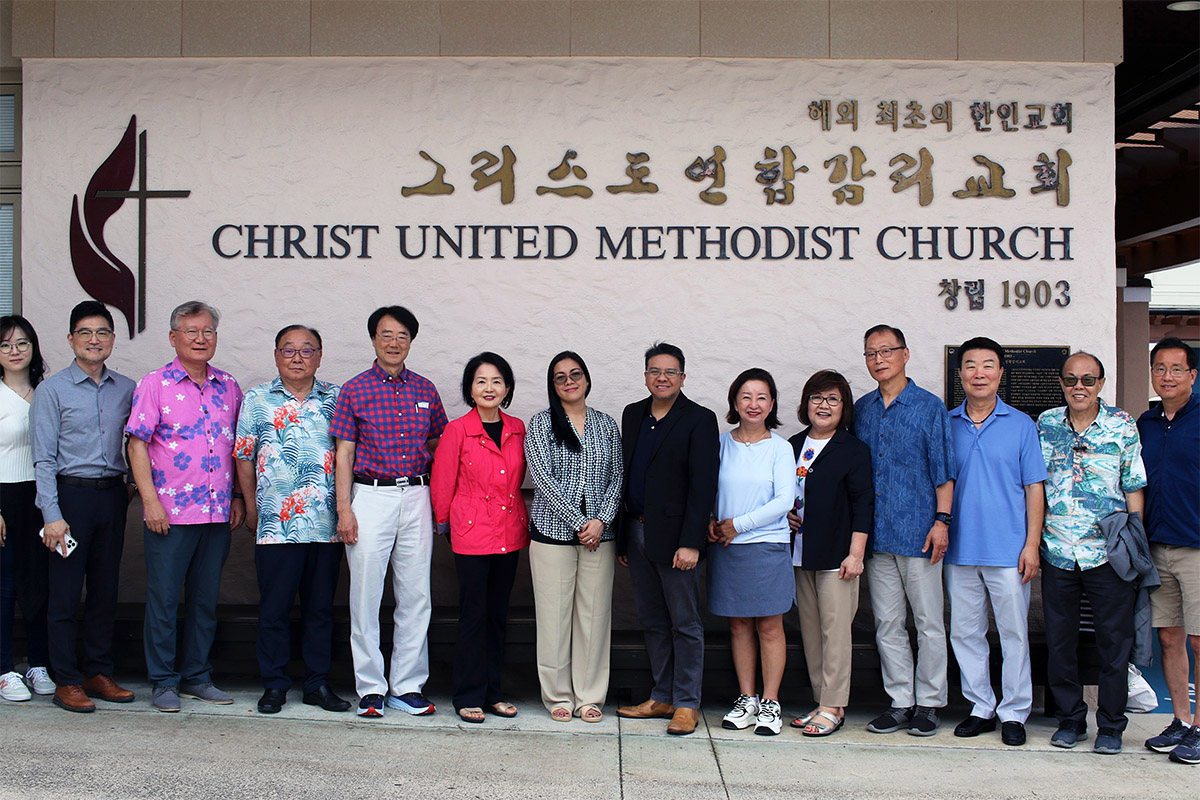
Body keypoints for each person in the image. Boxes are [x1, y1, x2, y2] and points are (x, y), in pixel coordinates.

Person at [329, 305, 447, 718]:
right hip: (370, 496)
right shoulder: (355, 389)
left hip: (416, 494)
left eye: (402, 336)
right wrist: (344, 510)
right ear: (373, 339)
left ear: (411, 341)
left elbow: (439, 448)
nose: (394, 342)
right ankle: (371, 688)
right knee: (365, 595)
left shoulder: (425, 390)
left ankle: (407, 686)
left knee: (416, 595)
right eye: (386, 335)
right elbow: (343, 454)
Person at [127, 300, 245, 712]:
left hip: (215, 513)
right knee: (162, 600)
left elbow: (236, 448)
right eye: (191, 331)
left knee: (204, 599)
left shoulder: (228, 385)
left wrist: (235, 498)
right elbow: (137, 444)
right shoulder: (154, 384)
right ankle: (163, 681)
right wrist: (150, 502)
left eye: (208, 331)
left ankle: (197, 675)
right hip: (170, 515)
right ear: (174, 337)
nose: (200, 339)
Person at [234, 325, 349, 715]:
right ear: (276, 355)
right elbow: (244, 457)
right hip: (274, 524)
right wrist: (250, 506)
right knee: (275, 609)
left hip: (326, 525)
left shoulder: (337, 398)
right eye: (289, 350)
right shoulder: (257, 399)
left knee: (320, 610)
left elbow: (348, 457)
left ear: (319, 355)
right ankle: (275, 685)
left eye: (306, 350)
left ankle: (317, 683)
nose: (297, 357)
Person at [1038, 351, 1146, 754]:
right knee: (1060, 642)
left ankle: (1112, 727)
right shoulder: (1047, 424)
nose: (1078, 387)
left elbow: (1134, 484)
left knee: (1114, 644)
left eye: (1087, 379)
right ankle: (1070, 721)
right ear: (1061, 383)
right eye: (1070, 380)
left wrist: (1136, 542)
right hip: (1058, 552)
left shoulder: (1121, 424)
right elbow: (1035, 487)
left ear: (1101, 383)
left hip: (1108, 554)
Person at [31, 301, 136, 712]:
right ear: (71, 339)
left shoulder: (127, 388)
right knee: (65, 594)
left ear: (112, 338)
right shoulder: (51, 391)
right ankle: (66, 679)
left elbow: (138, 446)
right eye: (86, 333)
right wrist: (51, 516)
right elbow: (43, 459)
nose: (95, 340)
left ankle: (97, 670)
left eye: (103, 332)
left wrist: (128, 488)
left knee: (106, 590)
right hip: (67, 499)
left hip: (111, 496)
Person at [944, 338, 1047, 747]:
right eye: (971, 365)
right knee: (965, 632)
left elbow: (1034, 489)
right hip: (959, 548)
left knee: (1013, 632)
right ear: (960, 374)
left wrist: (1031, 544)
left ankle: (1014, 711)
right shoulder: (946, 423)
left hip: (1009, 549)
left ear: (1001, 372)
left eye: (988, 365)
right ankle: (980, 705)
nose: (979, 373)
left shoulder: (1021, 424)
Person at [854, 324, 955, 736]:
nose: (879, 359)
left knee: (930, 622)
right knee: (888, 623)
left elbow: (944, 471)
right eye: (871, 353)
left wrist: (941, 522)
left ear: (905, 354)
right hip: (877, 538)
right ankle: (900, 701)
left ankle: (929, 704)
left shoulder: (929, 406)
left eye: (886, 351)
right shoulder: (861, 408)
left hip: (920, 535)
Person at [616, 342, 718, 736]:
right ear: (645, 376)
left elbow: (702, 485)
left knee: (685, 622)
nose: (662, 378)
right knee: (654, 620)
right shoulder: (633, 414)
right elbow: (627, 478)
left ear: (682, 378)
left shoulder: (699, 419)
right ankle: (662, 696)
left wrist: (692, 541)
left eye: (670, 372)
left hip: (678, 540)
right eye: (654, 371)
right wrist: (624, 539)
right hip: (637, 531)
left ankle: (687, 703)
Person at [524, 351, 623, 723]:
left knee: (594, 618)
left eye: (575, 374)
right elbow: (543, 480)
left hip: (601, 534)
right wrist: (579, 522)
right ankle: (558, 695)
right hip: (552, 533)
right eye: (560, 377)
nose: (569, 381)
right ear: (552, 385)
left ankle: (590, 696)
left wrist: (599, 520)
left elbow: (618, 477)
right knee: (553, 618)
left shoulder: (606, 424)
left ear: (586, 378)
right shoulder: (541, 424)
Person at [431, 352, 529, 724]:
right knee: (473, 615)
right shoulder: (457, 429)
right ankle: (467, 694)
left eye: (497, 381)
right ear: (470, 389)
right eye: (481, 381)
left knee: (497, 615)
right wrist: (444, 524)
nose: (489, 388)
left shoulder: (518, 427)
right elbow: (442, 481)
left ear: (507, 389)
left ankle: (493, 692)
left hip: (509, 528)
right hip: (471, 530)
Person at [708, 368, 795, 736]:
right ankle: (747, 699)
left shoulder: (780, 448)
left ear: (772, 403)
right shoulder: (720, 444)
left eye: (761, 397)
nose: (753, 404)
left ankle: (771, 702)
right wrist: (710, 520)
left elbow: (783, 501)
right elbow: (706, 488)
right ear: (734, 402)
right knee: (739, 624)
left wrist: (736, 525)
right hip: (726, 549)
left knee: (770, 626)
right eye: (746, 396)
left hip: (766, 547)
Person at [786, 369, 873, 737]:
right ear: (806, 403)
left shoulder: (852, 449)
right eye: (817, 398)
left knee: (835, 632)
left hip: (838, 556)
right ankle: (822, 701)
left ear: (844, 408)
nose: (824, 406)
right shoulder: (792, 444)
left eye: (833, 400)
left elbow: (863, 503)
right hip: (799, 554)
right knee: (811, 631)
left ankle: (834, 706)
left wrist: (856, 554)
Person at [1137, 337, 1199, 764]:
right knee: (1170, 638)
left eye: (1176, 369)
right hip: (1157, 545)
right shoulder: (1146, 421)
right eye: (1160, 368)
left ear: (1192, 375)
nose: (1167, 376)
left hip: (1196, 547)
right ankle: (1181, 720)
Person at [0, 316, 51, 703]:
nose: (14, 351)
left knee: (39, 586)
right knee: (4, 588)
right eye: (5, 345)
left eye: (22, 343)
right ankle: (4, 670)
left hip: (41, 498)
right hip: (3, 499)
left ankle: (38, 663)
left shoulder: (47, 392)